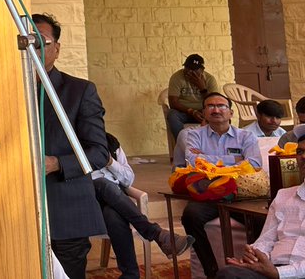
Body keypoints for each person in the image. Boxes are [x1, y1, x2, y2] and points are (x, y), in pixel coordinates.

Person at [33, 13, 110, 279]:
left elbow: (98, 153)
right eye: (25, 41)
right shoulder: (1, 90)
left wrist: (55, 163)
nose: (32, 48)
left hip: (65, 211)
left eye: (40, 41)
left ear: (56, 48)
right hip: (14, 213)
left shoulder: (79, 91)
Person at [176, 92, 263, 278]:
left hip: (240, 194)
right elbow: (193, 162)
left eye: (221, 106)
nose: (216, 110)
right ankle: (212, 272)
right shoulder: (194, 135)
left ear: (231, 112)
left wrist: (209, 161)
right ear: (204, 113)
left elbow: (255, 164)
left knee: (261, 219)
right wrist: (236, 160)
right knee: (190, 216)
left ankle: (256, 271)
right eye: (211, 106)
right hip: (209, 194)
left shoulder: (246, 136)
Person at [93, 132, 192, 279]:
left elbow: (128, 179)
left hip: (116, 201)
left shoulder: (110, 142)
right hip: (88, 201)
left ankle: (131, 275)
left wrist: (110, 162)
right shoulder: (72, 144)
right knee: (103, 184)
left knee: (113, 216)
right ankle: (156, 233)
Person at [216, 184, 305, 278]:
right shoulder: (283, 195)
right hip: (272, 266)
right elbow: (267, 239)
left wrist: (278, 273)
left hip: (297, 272)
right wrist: (254, 257)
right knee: (228, 274)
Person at [167, 54, 221, 138]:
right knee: (172, 115)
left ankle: (215, 142)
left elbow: (215, 102)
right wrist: (192, 111)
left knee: (222, 114)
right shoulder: (177, 77)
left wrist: (202, 88)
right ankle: (182, 143)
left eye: (193, 69)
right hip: (184, 112)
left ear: (202, 70)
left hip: (204, 112)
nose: (189, 72)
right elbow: (173, 103)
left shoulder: (210, 79)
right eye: (187, 68)